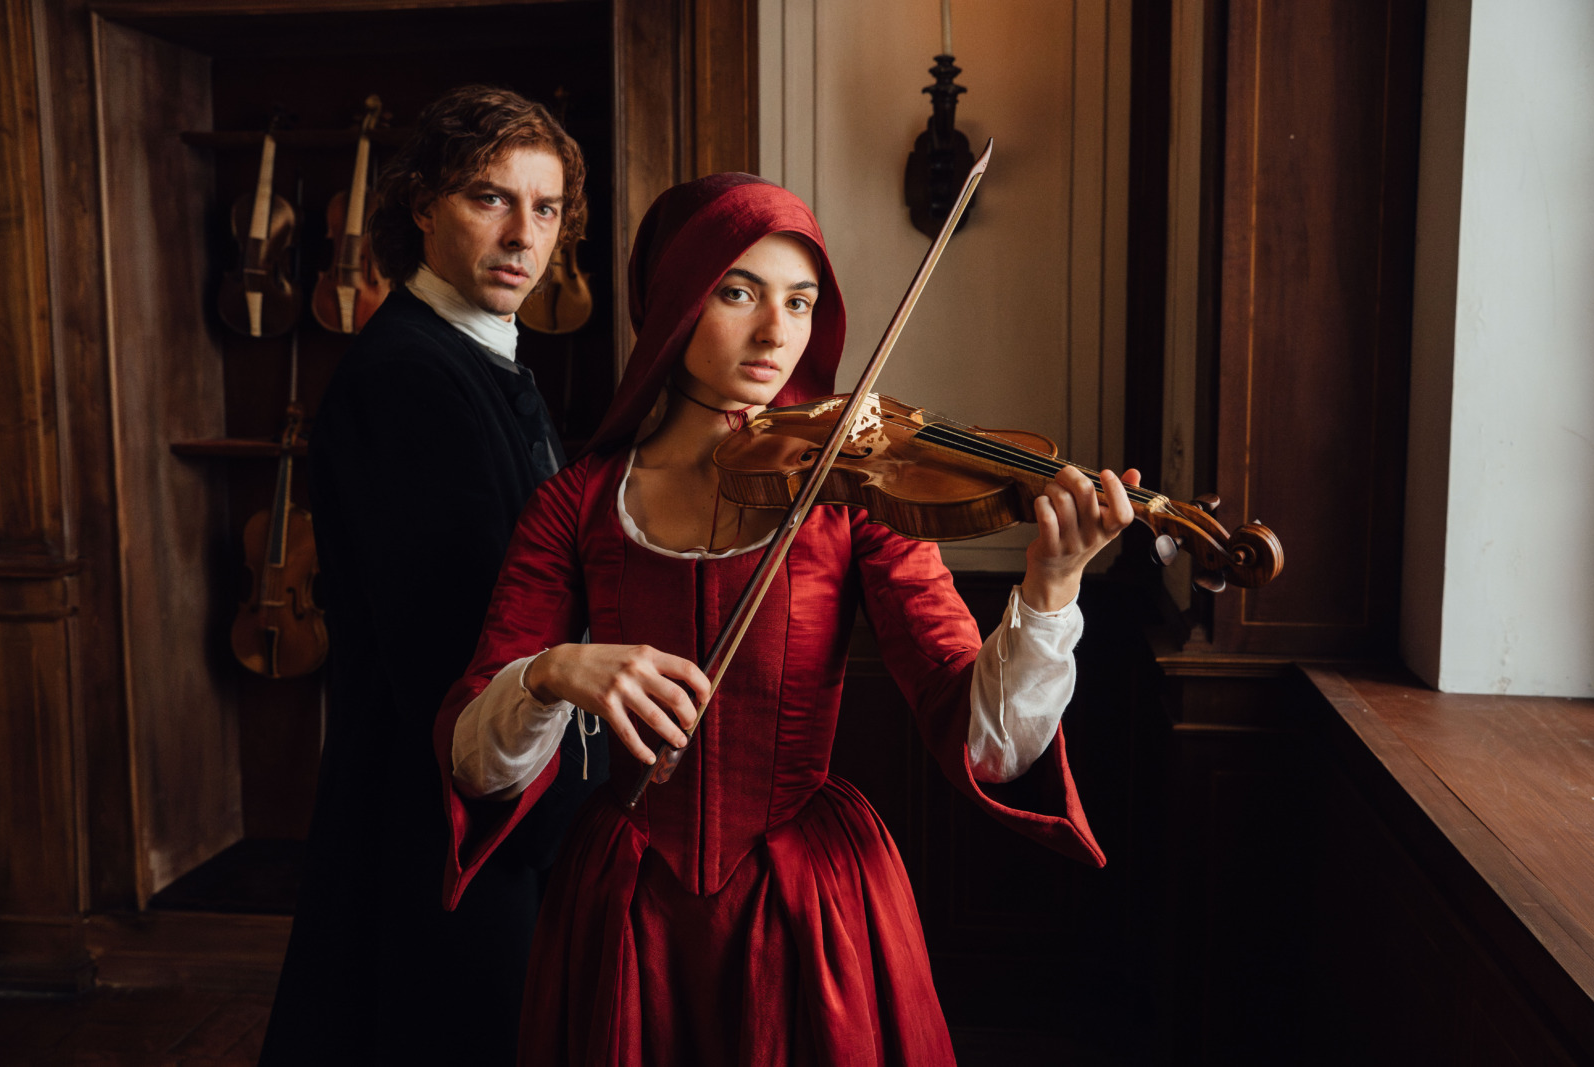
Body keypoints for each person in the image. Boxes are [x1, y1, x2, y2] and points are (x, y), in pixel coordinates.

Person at [437, 173, 1137, 1064]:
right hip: (626, 909)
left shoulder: (852, 494)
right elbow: (477, 762)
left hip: (812, 908)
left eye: (800, 301)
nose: (776, 332)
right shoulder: (575, 504)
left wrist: (1050, 587)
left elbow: (986, 742)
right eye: (738, 293)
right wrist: (552, 672)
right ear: (674, 301)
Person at [259, 85, 607, 1066]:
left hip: (489, 803)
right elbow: (452, 655)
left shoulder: (483, 357)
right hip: (444, 821)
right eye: (490, 198)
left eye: (546, 208)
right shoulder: (407, 377)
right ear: (422, 205)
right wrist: (557, 834)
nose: (523, 234)